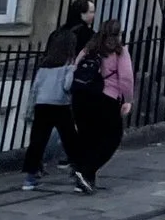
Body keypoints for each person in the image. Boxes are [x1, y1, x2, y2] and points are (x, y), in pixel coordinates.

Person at [68, 19, 134, 189]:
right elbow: (126, 78)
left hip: (81, 97)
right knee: (112, 138)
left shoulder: (89, 48)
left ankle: (84, 179)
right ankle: (86, 171)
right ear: (119, 34)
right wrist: (127, 100)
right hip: (105, 98)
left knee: (87, 137)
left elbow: (75, 68)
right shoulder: (119, 52)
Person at [21, 35, 82, 192]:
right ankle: (79, 172)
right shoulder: (68, 65)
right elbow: (67, 86)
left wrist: (30, 108)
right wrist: (74, 70)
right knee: (70, 140)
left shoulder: (44, 66)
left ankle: (30, 177)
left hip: (42, 104)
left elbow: (35, 88)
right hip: (60, 105)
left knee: (37, 141)